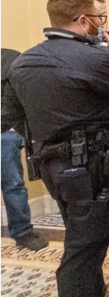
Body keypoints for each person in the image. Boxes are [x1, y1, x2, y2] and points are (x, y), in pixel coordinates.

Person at [3, 0, 109, 297]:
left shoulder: (23, 62)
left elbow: (12, 113)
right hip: (92, 168)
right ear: (84, 20)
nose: (103, 24)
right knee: (83, 251)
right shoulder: (94, 58)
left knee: (80, 234)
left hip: (53, 166)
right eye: (101, 17)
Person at [1, 48, 48, 252]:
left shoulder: (10, 58)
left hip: (4, 133)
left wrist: (15, 127)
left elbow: (26, 92)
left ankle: (22, 232)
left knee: (13, 184)